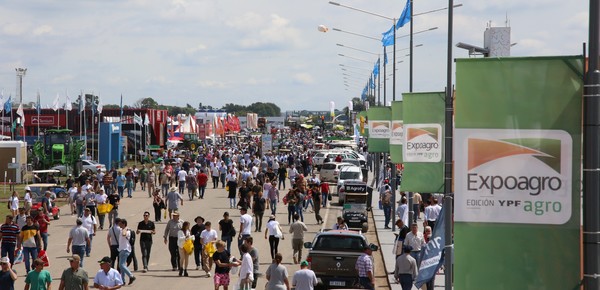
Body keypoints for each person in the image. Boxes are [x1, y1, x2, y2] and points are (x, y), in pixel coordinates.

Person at [117, 219, 136, 285]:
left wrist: (125, 228)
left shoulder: (127, 231)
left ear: (124, 224)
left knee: (121, 265)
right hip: (122, 249)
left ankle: (131, 276)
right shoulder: (122, 230)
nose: (119, 225)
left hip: (125, 249)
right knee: (122, 266)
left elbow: (124, 234)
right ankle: (123, 280)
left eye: (120, 224)